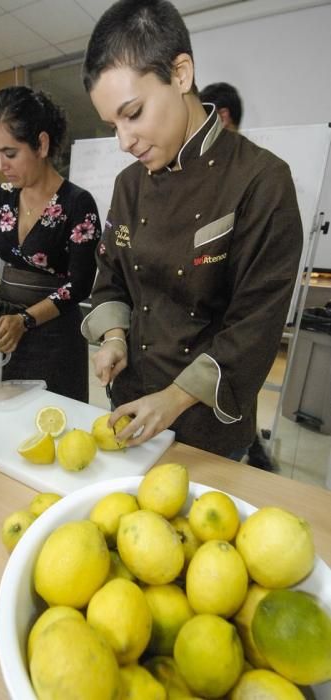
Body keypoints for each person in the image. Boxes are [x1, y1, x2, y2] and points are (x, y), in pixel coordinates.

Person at [80, 0, 303, 458]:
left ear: (180, 74)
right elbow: (111, 278)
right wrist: (115, 338)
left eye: (133, 112)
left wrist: (173, 401)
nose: (124, 142)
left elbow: (254, 329)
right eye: (112, 125)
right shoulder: (129, 185)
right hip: (130, 406)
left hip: (206, 422)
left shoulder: (261, 181)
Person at [0, 86, 101, 402]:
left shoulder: (77, 203)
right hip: (5, 333)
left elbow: (80, 283)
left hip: (55, 336)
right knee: (9, 421)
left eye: (10, 153)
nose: (0, 166)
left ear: (42, 144)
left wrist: (27, 319)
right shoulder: (1, 197)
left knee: (54, 421)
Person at [199, 80, 275, 470]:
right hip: (200, 348)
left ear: (221, 115)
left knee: (240, 376)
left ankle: (249, 441)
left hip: (225, 329)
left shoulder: (256, 177)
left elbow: (252, 314)